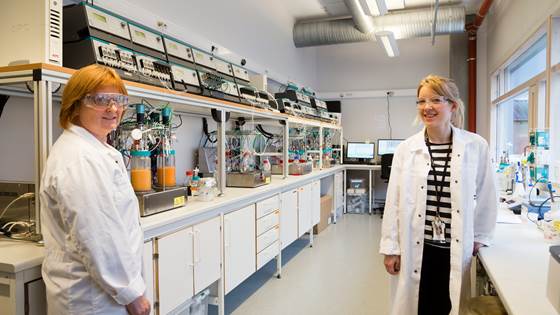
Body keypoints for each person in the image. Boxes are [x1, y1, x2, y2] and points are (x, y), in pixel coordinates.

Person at [379, 74, 497, 315]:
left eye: (435, 100)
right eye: (421, 101)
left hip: (455, 246)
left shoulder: (476, 146)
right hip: (417, 246)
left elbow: (487, 193)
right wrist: (391, 247)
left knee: (448, 304)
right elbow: (393, 201)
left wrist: (481, 235)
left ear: (453, 105)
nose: (427, 107)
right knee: (420, 305)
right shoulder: (406, 149)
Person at [40, 64, 151, 315]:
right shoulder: (80, 158)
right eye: (101, 100)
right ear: (75, 105)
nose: (113, 108)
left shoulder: (97, 150)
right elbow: (97, 235)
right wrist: (131, 294)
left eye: (118, 100)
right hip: (91, 298)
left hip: (105, 292)